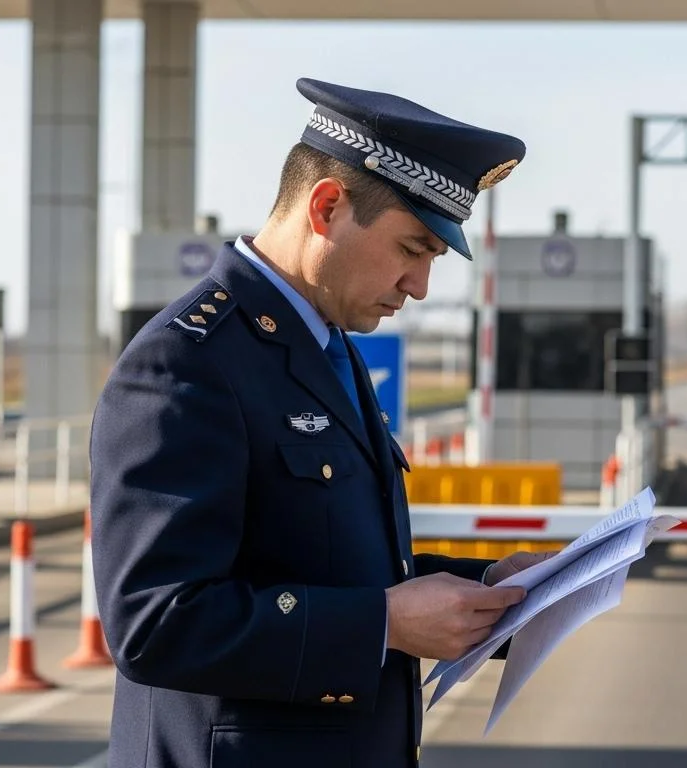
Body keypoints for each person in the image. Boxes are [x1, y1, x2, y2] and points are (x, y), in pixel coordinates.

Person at [88, 77, 549, 768]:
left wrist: (489, 593)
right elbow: (157, 622)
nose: (420, 286)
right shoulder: (186, 362)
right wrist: (386, 624)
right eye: (412, 248)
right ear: (328, 206)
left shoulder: (326, 344)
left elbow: (320, 561)